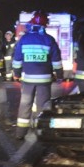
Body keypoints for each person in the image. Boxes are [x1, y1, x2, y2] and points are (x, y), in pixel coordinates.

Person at [12, 11, 63, 140]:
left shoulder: (24, 39)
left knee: (25, 105)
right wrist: (60, 75)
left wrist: (16, 75)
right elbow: (56, 61)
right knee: (42, 106)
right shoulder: (49, 40)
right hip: (44, 80)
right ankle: (40, 132)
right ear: (45, 25)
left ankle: (20, 133)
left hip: (28, 80)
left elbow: (17, 60)